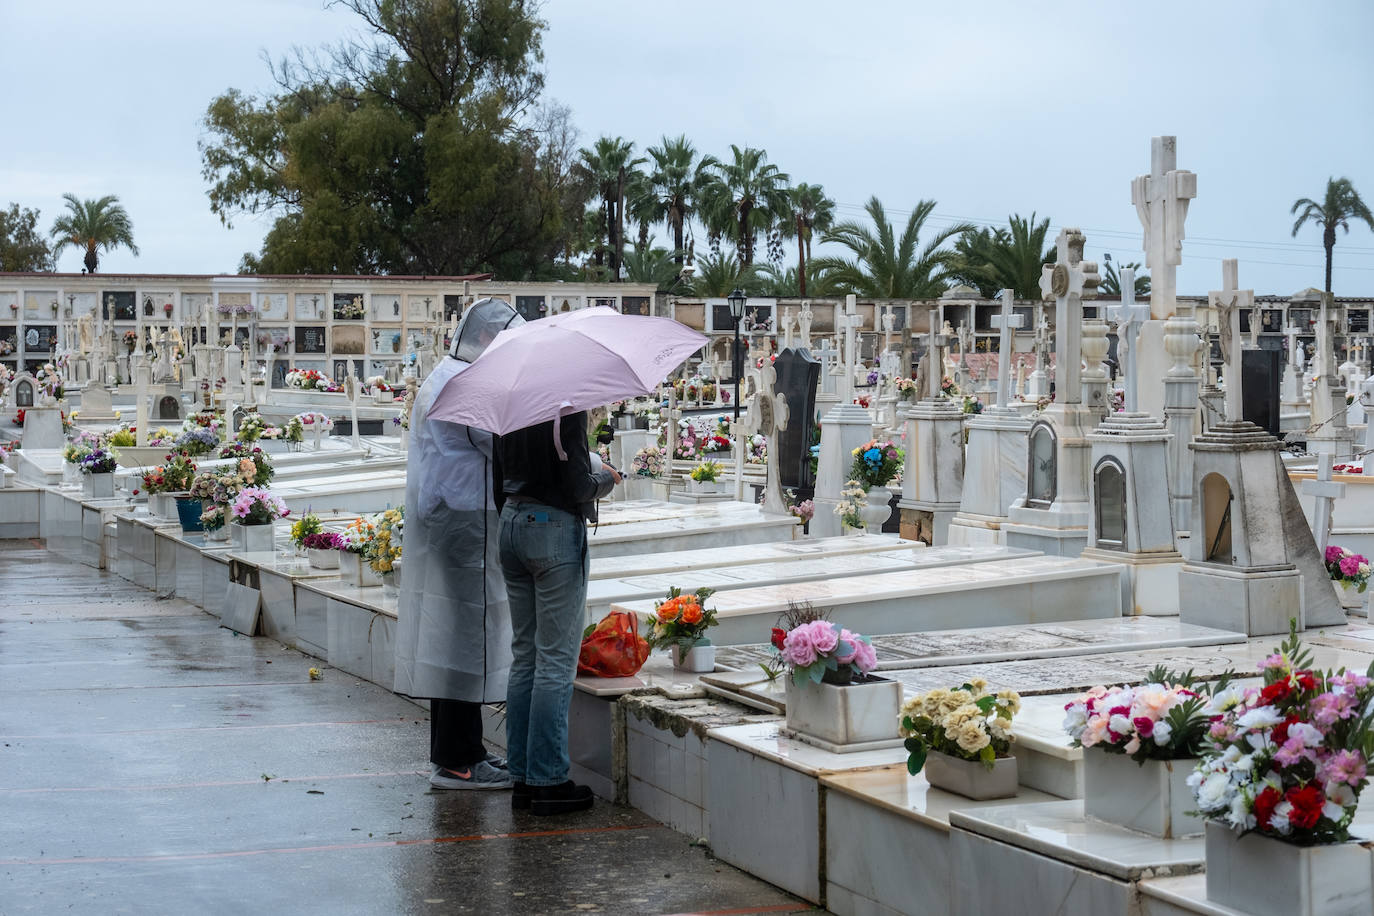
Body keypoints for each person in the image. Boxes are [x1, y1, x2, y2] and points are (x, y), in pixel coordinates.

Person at [394, 299, 524, 790]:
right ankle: (458, 759)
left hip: (451, 517)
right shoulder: (464, 382)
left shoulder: (446, 374)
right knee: (467, 638)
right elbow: (496, 442)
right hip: (466, 520)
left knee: (458, 635)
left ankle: (463, 751)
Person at [499, 411, 619, 815]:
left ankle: (522, 778)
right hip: (551, 528)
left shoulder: (513, 402)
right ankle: (548, 780)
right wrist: (606, 477)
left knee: (525, 658)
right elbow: (577, 485)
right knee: (554, 660)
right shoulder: (564, 405)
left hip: (512, 521)